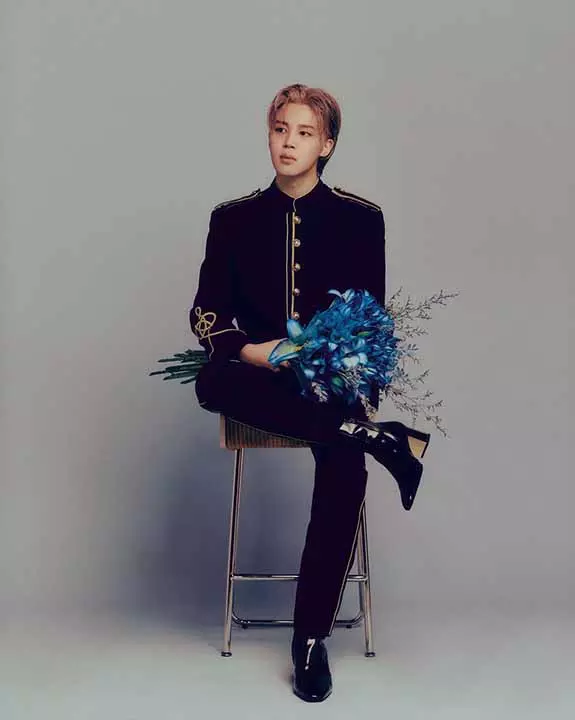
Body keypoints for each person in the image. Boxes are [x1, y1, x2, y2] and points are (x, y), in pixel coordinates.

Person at [190, 83, 430, 703]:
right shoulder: (232, 218)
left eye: (303, 133)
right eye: (280, 130)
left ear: (326, 144)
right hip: (253, 377)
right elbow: (205, 312)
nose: (288, 143)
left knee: (346, 466)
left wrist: (338, 369)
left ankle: (310, 639)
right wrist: (253, 350)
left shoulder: (361, 219)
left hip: (326, 383)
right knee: (211, 379)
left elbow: (371, 321)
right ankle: (385, 440)